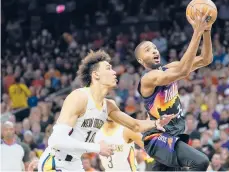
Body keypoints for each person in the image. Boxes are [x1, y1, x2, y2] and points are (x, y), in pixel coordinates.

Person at [38, 50, 176, 171]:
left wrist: (156, 123)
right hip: (55, 162)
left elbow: (135, 125)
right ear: (96, 74)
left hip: (74, 164)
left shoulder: (108, 105)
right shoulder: (79, 97)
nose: (114, 72)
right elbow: (56, 140)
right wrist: (97, 148)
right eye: (109, 68)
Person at [134, 8, 214, 171]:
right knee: (200, 162)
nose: (154, 50)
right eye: (148, 50)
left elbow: (206, 59)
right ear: (142, 61)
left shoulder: (168, 68)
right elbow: (183, 71)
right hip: (157, 138)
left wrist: (206, 30)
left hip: (174, 134)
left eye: (154, 47)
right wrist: (196, 33)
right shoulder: (148, 78)